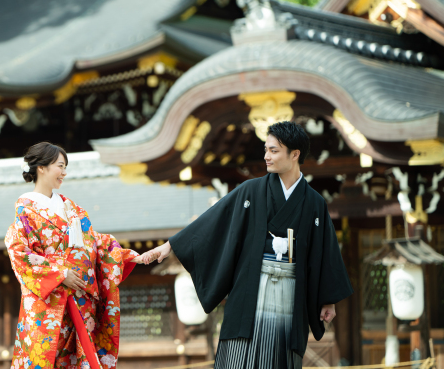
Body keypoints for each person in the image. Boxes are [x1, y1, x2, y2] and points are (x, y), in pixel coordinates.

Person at [143, 121, 353, 369]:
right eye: (266, 150)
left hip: (290, 293)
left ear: (295, 154)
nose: (266, 156)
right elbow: (214, 220)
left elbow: (325, 252)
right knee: (238, 357)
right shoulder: (250, 191)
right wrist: (171, 246)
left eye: (274, 151)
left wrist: (328, 300)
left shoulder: (315, 203)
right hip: (249, 292)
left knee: (280, 356)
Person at [5, 142, 145, 369]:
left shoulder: (71, 208)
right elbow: (20, 253)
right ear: (41, 168)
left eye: (65, 167)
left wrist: (126, 256)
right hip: (49, 302)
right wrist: (61, 274)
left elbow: (95, 242)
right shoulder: (25, 210)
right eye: (60, 166)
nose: (64, 172)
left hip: (80, 299)